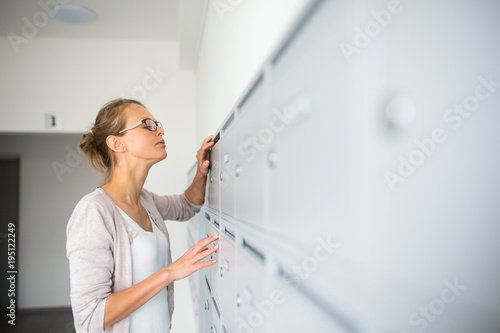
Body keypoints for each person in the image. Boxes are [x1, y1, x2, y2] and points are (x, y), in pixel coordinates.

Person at [66, 98, 218, 333]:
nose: (160, 130)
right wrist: (170, 272)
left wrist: (201, 171)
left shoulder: (146, 201)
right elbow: (91, 316)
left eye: (157, 123)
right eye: (148, 124)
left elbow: (187, 206)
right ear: (117, 143)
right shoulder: (93, 211)